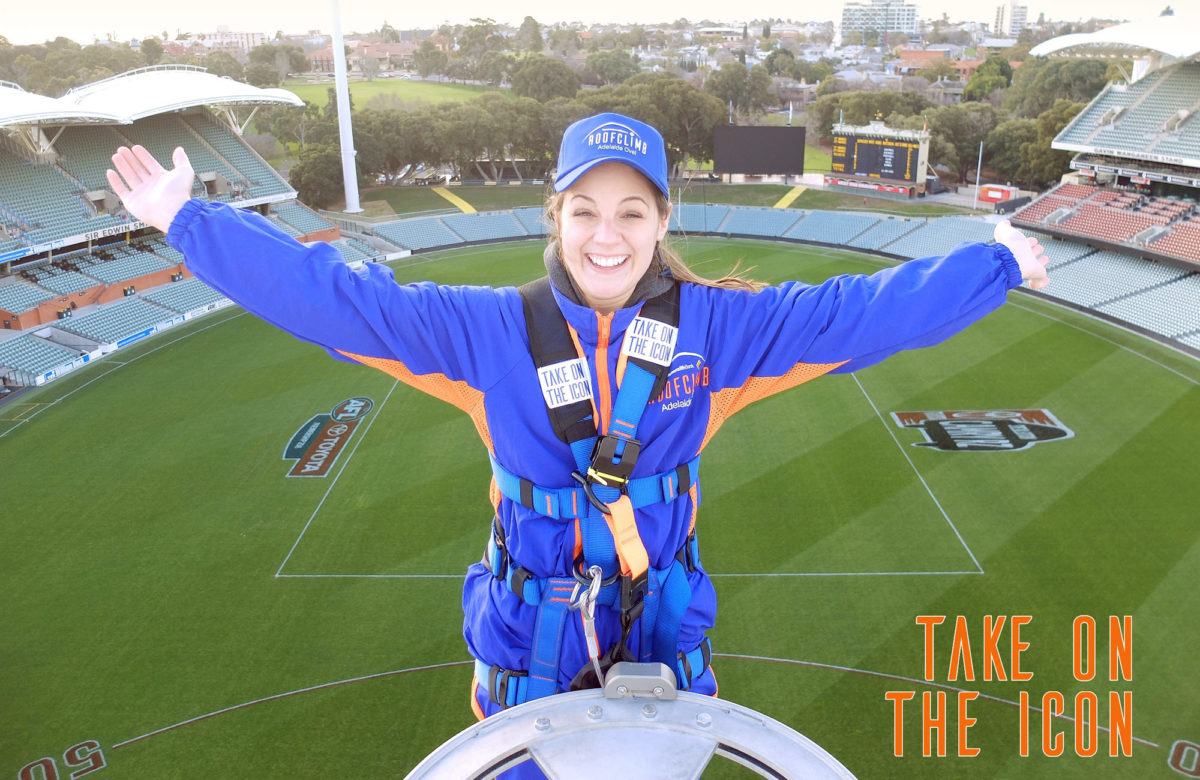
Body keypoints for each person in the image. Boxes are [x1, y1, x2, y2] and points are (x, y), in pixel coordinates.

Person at [107, 112, 1048, 777]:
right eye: (587, 209)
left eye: (633, 210)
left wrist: (994, 262)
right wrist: (193, 224)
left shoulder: (719, 333)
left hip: (658, 629)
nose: (608, 234)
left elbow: (861, 314)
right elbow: (341, 300)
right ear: (554, 216)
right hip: (532, 641)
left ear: (662, 222)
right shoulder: (482, 333)